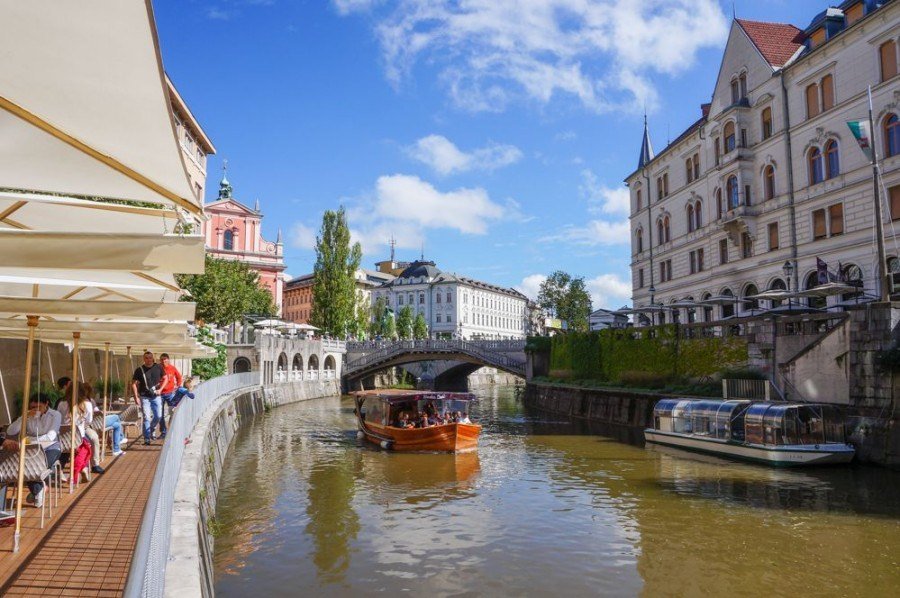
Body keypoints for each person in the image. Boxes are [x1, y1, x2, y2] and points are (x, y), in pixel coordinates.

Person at [3, 394, 62, 508]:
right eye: (33, 407)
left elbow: (50, 436)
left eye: (39, 406)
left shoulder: (55, 415)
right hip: (32, 450)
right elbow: (11, 431)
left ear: (46, 404)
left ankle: (38, 489)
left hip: (51, 447)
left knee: (37, 467)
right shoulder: (29, 415)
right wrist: (24, 417)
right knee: (24, 465)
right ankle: (39, 490)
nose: (36, 409)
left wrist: (29, 440)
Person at [132, 351, 167, 446]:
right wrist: (136, 397)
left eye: (150, 357)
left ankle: (152, 428)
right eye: (146, 358)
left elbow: (165, 378)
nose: (148, 360)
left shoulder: (158, 367)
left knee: (158, 416)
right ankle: (147, 438)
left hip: (156, 396)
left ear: (153, 358)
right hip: (144, 396)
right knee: (146, 417)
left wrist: (161, 390)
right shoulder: (139, 370)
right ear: (143, 359)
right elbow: (134, 384)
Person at [157, 353, 182, 440]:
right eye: (162, 359)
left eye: (165, 359)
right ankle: (163, 432)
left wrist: (178, 386)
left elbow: (179, 377)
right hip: (160, 394)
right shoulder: (157, 368)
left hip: (170, 393)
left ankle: (172, 430)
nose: (164, 361)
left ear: (168, 359)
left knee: (173, 412)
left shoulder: (172, 368)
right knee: (160, 415)